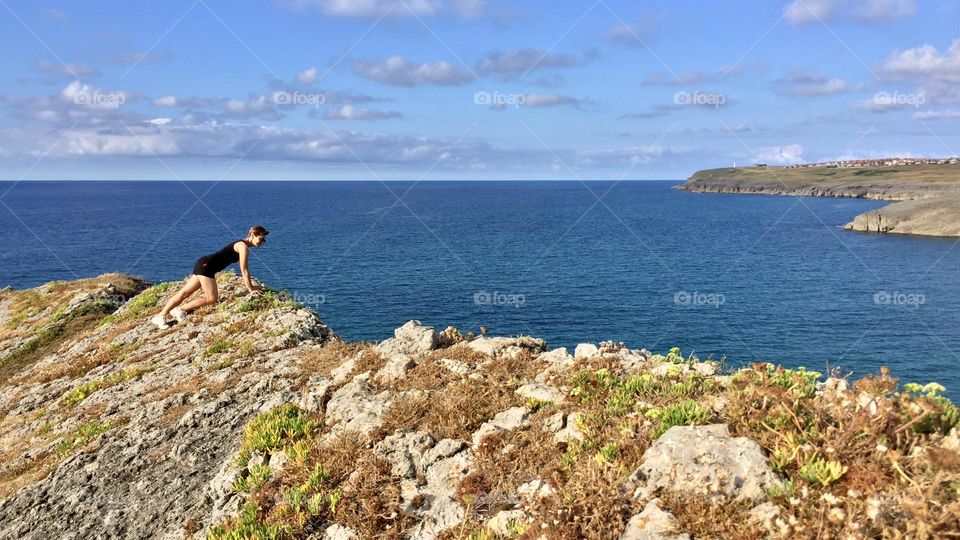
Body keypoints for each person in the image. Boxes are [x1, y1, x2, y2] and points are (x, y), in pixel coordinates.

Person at [151, 225, 269, 329]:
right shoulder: (243, 247)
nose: (262, 242)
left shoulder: (242, 245)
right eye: (261, 239)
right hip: (206, 266)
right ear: (252, 235)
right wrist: (251, 288)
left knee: (185, 293)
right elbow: (243, 268)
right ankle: (178, 310)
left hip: (204, 264)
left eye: (263, 240)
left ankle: (161, 315)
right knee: (211, 299)